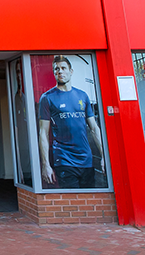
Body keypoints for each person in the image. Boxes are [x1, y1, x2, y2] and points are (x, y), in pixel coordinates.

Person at [38, 55, 102, 188]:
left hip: (86, 160)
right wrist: (46, 165)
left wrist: (104, 157)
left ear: (71, 71)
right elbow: (43, 132)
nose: (59, 71)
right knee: (73, 202)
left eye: (63, 68)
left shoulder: (82, 96)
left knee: (89, 201)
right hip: (64, 159)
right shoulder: (47, 98)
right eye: (56, 69)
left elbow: (94, 129)